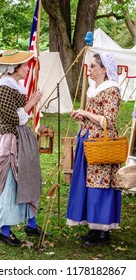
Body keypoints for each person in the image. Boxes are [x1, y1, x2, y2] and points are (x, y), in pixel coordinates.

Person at [0, 49, 44, 246]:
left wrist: (29, 103)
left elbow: (20, 115)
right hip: (10, 140)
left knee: (28, 177)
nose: (28, 68)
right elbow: (13, 117)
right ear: (14, 68)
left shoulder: (15, 86)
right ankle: (5, 231)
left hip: (21, 137)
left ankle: (31, 223)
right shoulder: (3, 88)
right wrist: (32, 103)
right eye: (25, 65)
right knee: (12, 182)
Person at [66, 52, 122, 246]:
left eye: (93, 67)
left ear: (104, 70)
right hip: (89, 141)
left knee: (102, 185)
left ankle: (103, 231)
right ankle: (93, 228)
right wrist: (83, 117)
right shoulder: (94, 88)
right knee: (89, 184)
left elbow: (109, 120)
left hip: (102, 144)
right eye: (90, 66)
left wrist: (86, 112)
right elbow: (95, 116)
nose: (89, 70)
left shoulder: (111, 90)